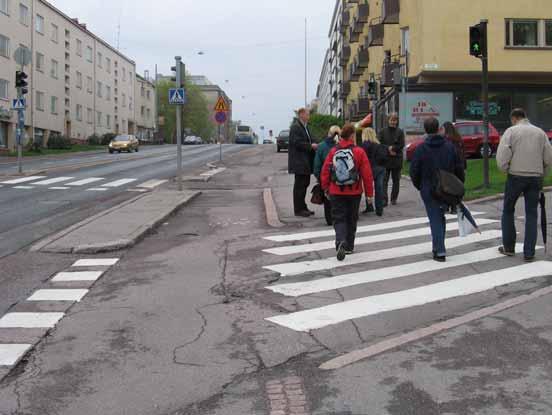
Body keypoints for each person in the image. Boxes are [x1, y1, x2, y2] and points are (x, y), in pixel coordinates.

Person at [496, 108, 552, 261]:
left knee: (508, 210)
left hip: (516, 175)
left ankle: (509, 247)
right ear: (525, 117)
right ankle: (529, 252)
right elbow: (548, 156)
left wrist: (506, 168)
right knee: (532, 214)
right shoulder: (540, 133)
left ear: (514, 118)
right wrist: (543, 172)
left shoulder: (511, 131)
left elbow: (502, 155)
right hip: (535, 177)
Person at [410, 117, 465, 262]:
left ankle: (439, 250)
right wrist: (459, 185)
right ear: (439, 129)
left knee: (435, 217)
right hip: (447, 187)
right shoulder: (449, 146)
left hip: (428, 187)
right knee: (439, 216)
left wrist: (419, 185)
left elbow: (414, 170)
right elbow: (459, 167)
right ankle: (438, 246)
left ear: (425, 130)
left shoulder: (421, 149)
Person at [321, 124, 374, 261]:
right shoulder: (359, 152)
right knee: (352, 218)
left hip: (336, 191)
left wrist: (326, 187)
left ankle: (340, 241)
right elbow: (367, 174)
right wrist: (369, 194)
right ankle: (349, 246)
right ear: (351, 136)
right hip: (354, 191)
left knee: (339, 218)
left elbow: (325, 171)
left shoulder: (333, 151)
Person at [288, 108, 318, 217]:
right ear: (301, 115)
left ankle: (303, 206)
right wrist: (311, 146)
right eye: (307, 114)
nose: (309, 116)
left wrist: (316, 143)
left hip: (305, 161)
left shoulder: (305, 127)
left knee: (304, 184)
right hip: (299, 162)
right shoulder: (296, 127)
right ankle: (298, 209)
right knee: (299, 186)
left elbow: (310, 139)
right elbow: (297, 143)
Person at [314, 125, 341, 226]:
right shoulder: (343, 145)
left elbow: (317, 165)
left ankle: (330, 219)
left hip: (326, 178)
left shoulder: (321, 146)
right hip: (341, 177)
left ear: (329, 133)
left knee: (328, 199)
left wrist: (318, 177)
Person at [378, 113, 405, 206]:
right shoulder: (382, 131)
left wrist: (393, 148)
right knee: (384, 180)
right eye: (391, 120)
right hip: (385, 159)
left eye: (395, 120)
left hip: (397, 159)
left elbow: (401, 144)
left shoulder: (400, 132)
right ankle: (384, 199)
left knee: (396, 180)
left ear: (397, 121)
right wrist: (388, 149)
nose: (393, 122)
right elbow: (379, 144)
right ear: (388, 120)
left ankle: (394, 198)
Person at [361, 127, 388, 216]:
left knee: (368, 187)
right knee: (379, 189)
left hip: (369, 169)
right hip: (380, 169)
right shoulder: (379, 145)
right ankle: (379, 210)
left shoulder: (364, 145)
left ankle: (369, 206)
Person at [443, 122, 466, 214]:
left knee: (446, 186)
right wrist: (464, 167)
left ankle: (446, 206)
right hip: (459, 166)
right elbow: (463, 154)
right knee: (455, 186)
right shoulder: (458, 139)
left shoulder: (446, 140)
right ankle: (454, 206)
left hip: (448, 166)